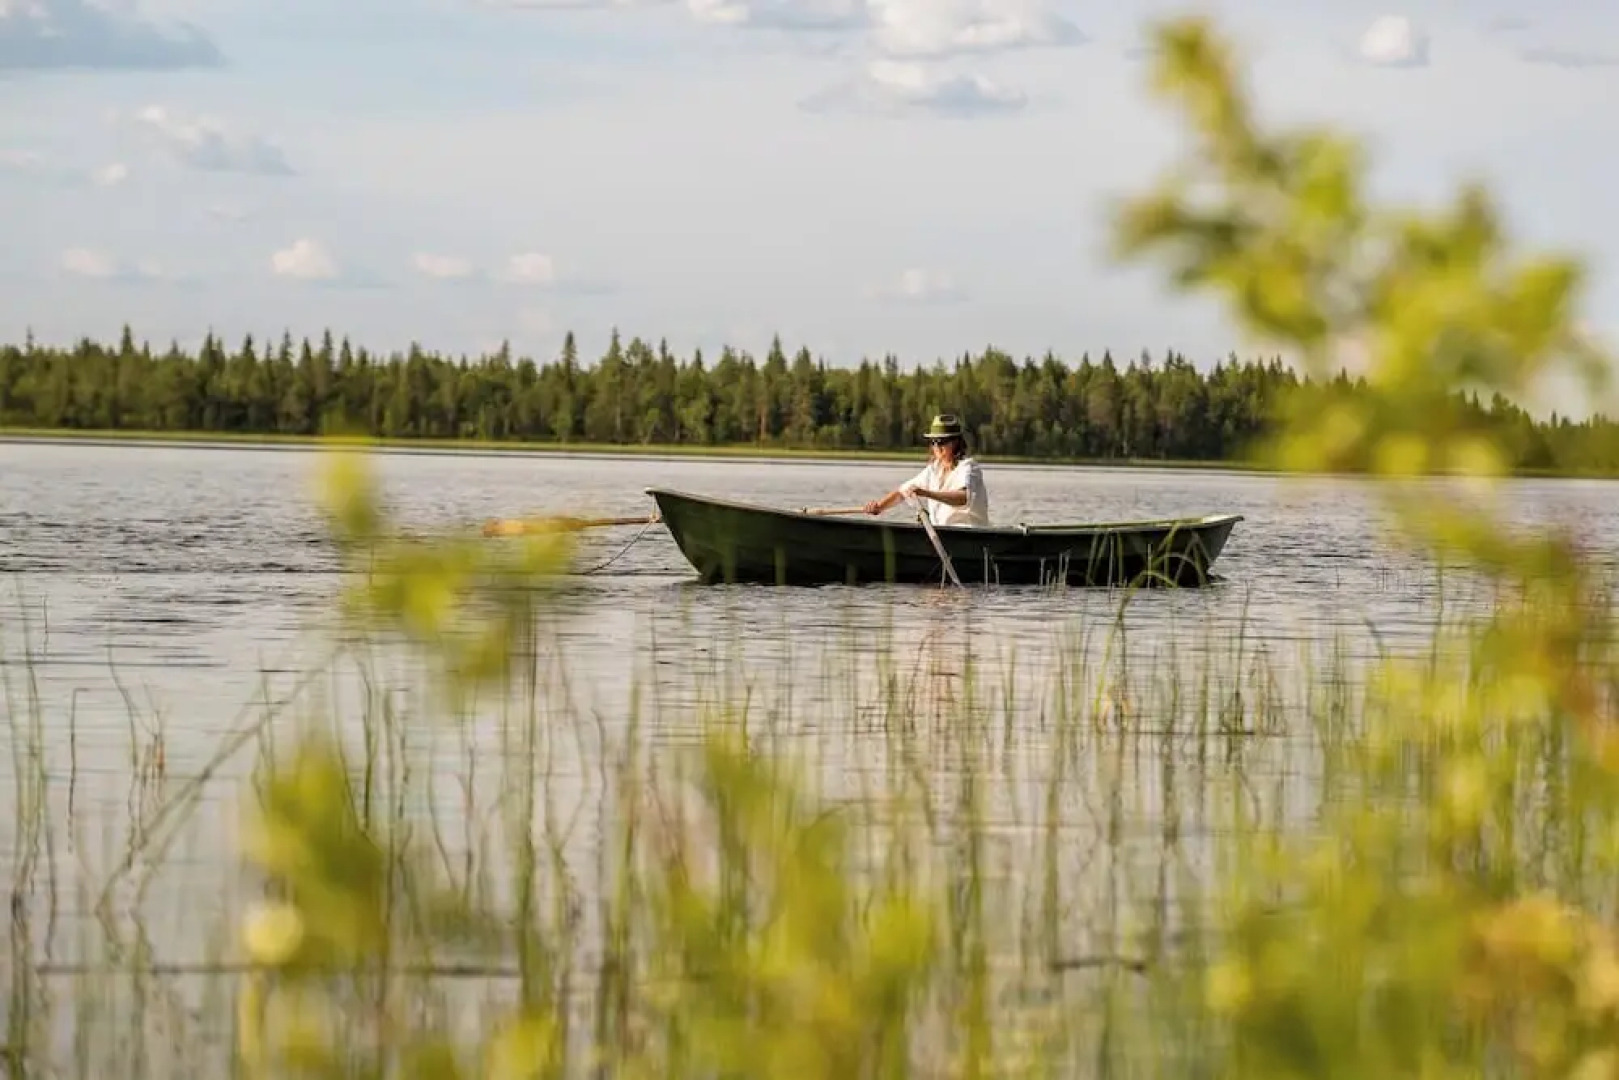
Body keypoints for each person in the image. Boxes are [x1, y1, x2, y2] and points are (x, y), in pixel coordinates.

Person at [864, 413, 989, 527]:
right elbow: (901, 493)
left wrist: (927, 493)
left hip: (968, 533)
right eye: (933, 441)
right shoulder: (934, 469)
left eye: (941, 441)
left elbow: (963, 497)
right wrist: (879, 507)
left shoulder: (969, 467)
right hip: (943, 533)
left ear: (955, 443)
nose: (937, 446)